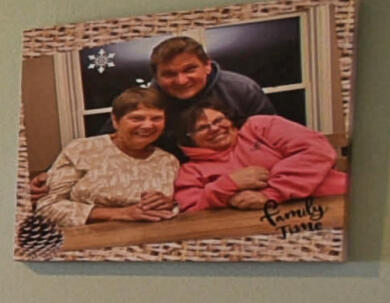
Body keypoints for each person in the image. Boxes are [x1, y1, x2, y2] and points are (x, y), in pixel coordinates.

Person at [32, 86, 179, 233]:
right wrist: (121, 214)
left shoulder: (168, 161)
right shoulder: (83, 149)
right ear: (115, 121)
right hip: (85, 239)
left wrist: (168, 204)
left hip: (149, 238)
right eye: (137, 118)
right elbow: (47, 208)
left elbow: (176, 209)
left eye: (156, 118)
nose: (148, 125)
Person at [172, 103, 349, 213]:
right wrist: (229, 184)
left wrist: (270, 194)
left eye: (218, 120)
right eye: (202, 128)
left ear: (231, 120)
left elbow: (316, 150)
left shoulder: (260, 126)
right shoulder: (191, 170)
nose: (214, 128)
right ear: (190, 138)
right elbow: (190, 208)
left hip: (336, 201)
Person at [147, 35, 274, 153]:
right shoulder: (149, 103)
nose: (181, 81)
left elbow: (272, 136)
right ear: (157, 77)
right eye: (169, 74)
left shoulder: (242, 89)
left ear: (207, 66)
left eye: (190, 70)